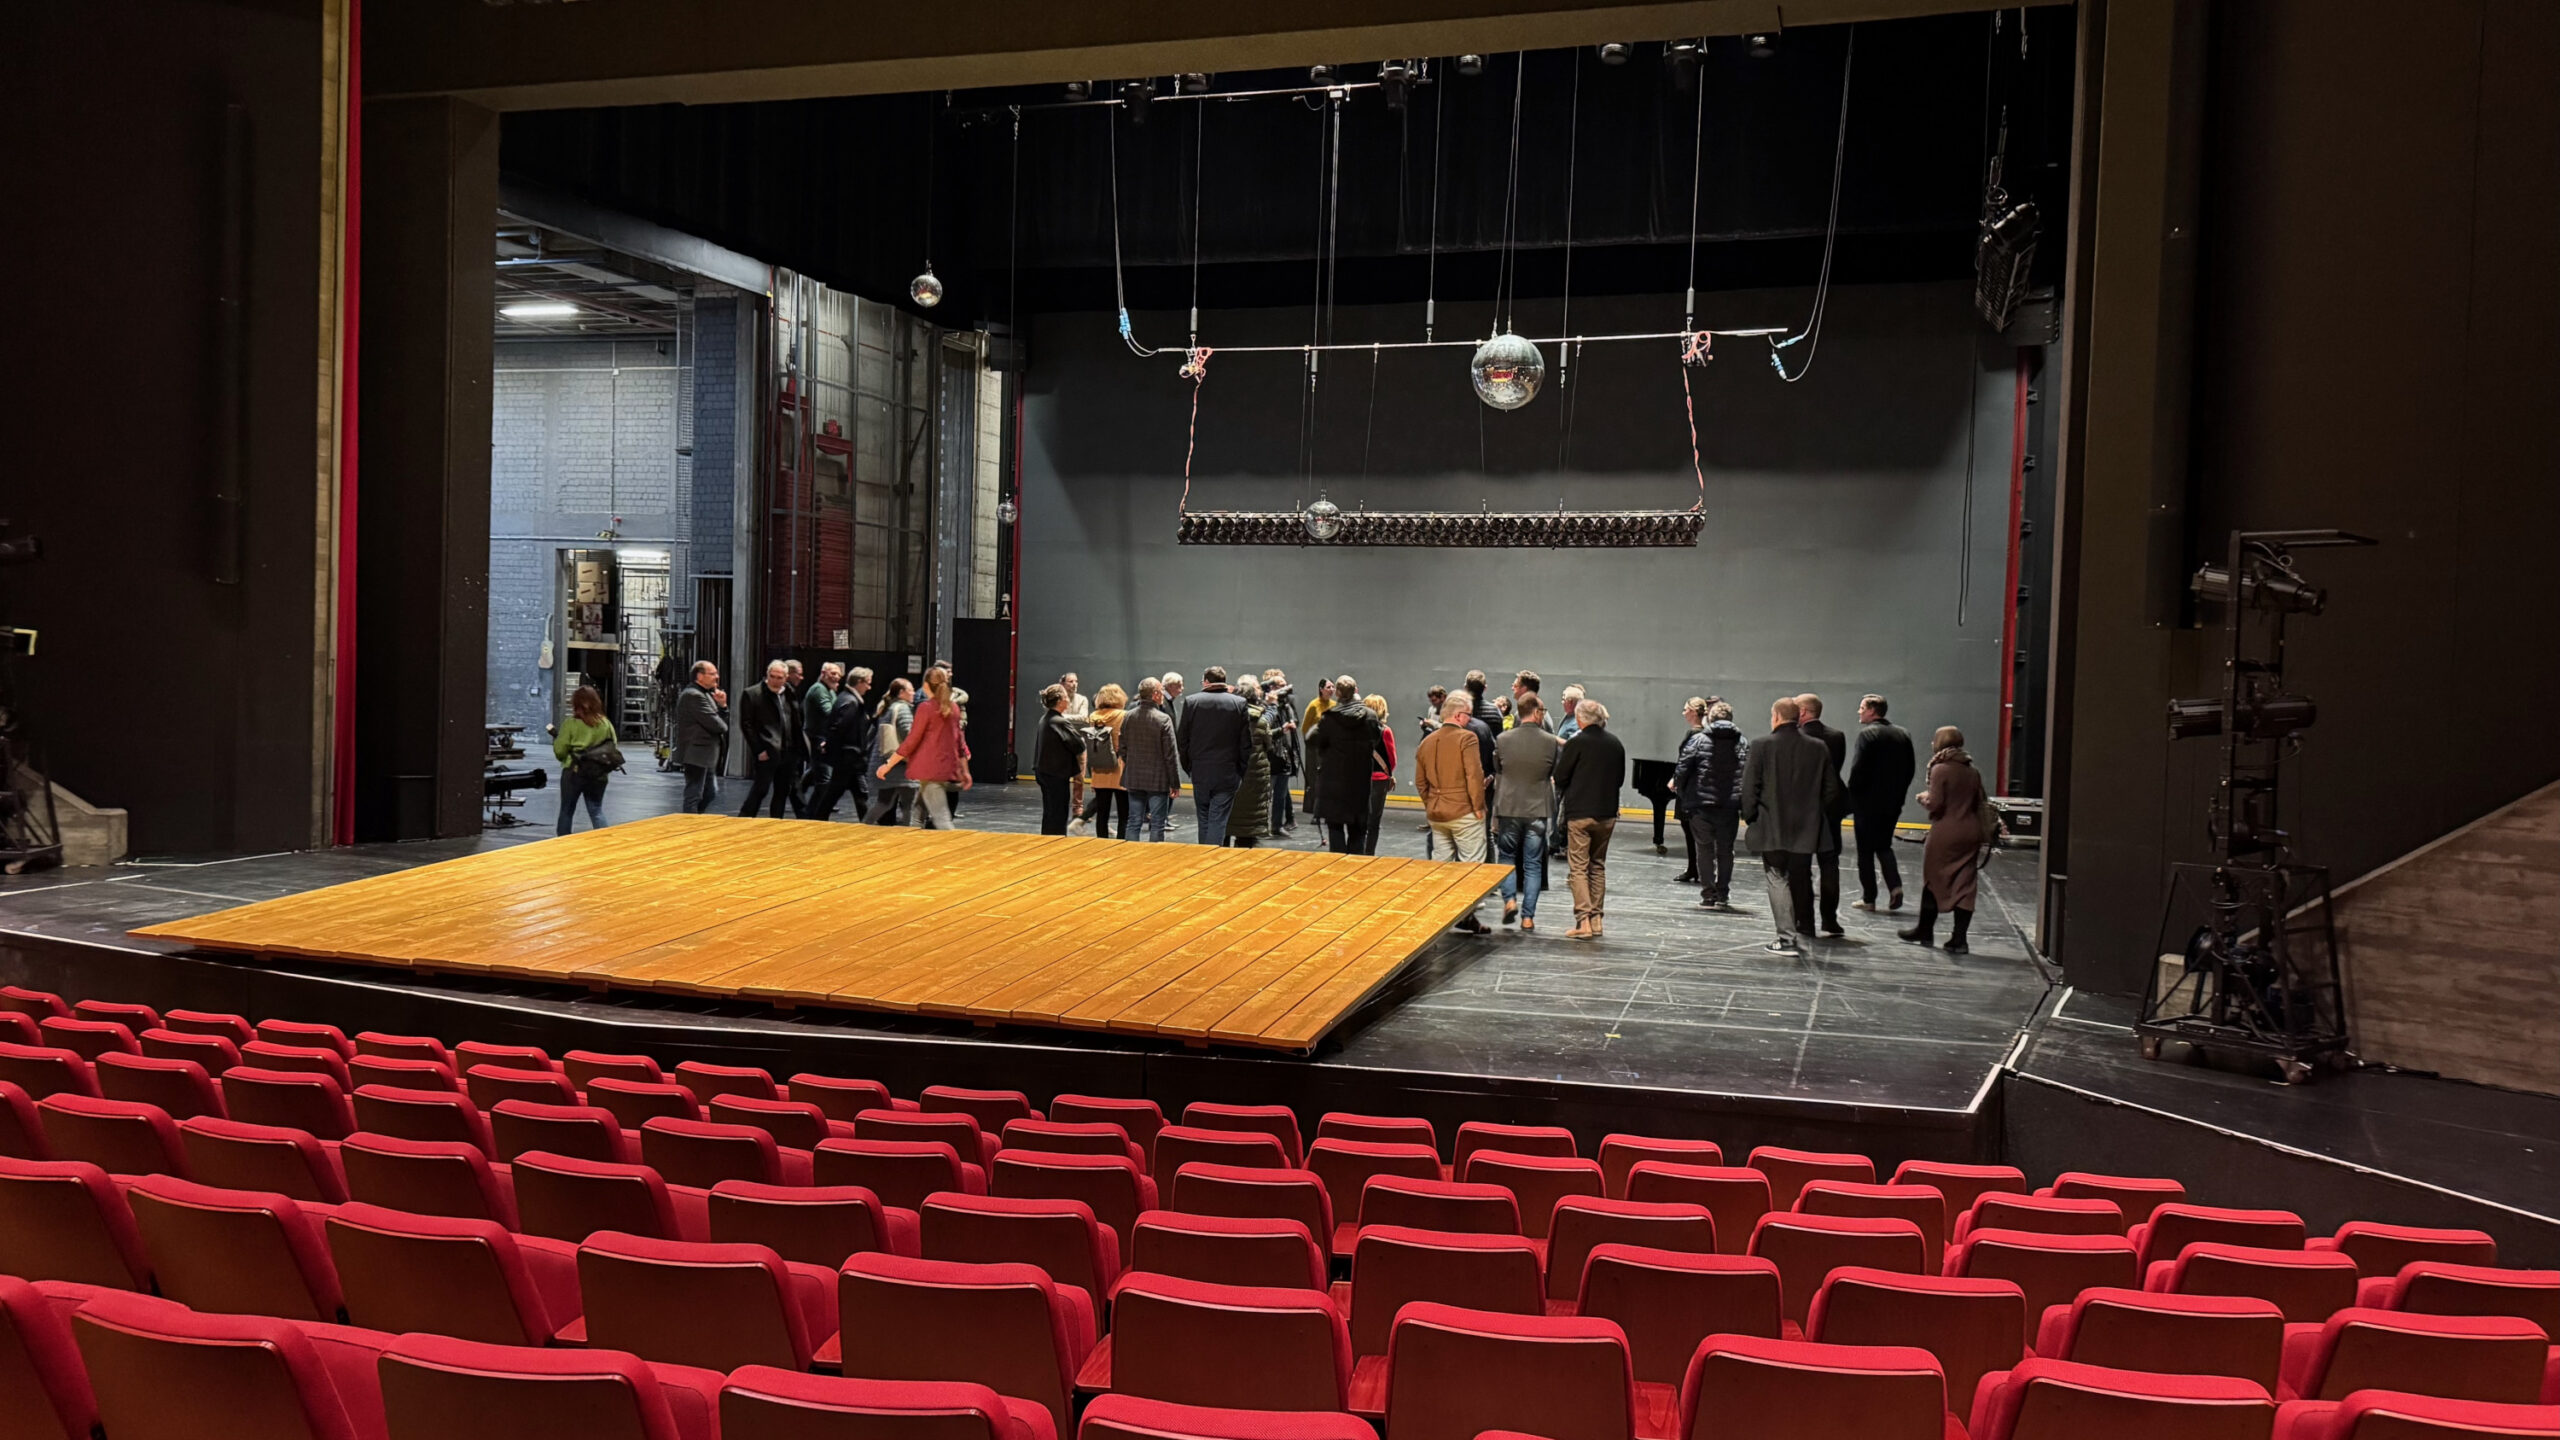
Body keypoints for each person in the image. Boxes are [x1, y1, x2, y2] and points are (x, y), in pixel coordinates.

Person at [1738, 696, 1845, 954]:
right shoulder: (1818, 747)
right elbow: (1832, 789)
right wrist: (1814, 812)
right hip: (1807, 827)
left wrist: (1751, 817)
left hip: (1772, 825)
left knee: (1776, 877)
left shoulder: (1761, 745)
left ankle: (1786, 938)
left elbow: (1749, 789)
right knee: (1801, 875)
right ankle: (1804, 926)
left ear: (1776, 716)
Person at [1904, 726, 1990, 953]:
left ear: (1940, 742)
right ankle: (1959, 939)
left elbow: (1935, 803)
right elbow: (1980, 801)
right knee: (1965, 884)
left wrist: (1922, 798)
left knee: (1933, 879)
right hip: (1970, 831)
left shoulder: (1940, 769)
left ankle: (1925, 929)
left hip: (1946, 831)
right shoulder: (1972, 771)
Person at [1414, 693, 1492, 933]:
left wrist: (1431, 803)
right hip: (1464, 812)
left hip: (1437, 814)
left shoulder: (1427, 742)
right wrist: (1478, 806)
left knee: (1442, 868)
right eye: (1468, 715)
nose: (1470, 720)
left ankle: (1441, 917)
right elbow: (1474, 775)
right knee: (1471, 867)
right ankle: (1465, 915)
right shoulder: (1467, 738)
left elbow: (1420, 782)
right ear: (1458, 715)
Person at [1552, 699, 1626, 940]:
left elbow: (1561, 777)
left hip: (1580, 813)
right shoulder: (1615, 744)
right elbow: (1619, 779)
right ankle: (1597, 921)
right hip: (1607, 813)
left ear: (1580, 718)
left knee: (1578, 868)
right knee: (1598, 866)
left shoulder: (1577, 742)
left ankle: (1583, 921)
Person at [1493, 692, 1562, 930]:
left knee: (1506, 857)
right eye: (1542, 711)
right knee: (1533, 864)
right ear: (1535, 712)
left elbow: (1498, 769)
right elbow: (1553, 771)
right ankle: (1528, 917)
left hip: (1509, 806)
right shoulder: (1550, 741)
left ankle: (1510, 900)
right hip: (1537, 808)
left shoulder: (1503, 739)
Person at [1674, 700, 1751, 910]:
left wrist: (1684, 795)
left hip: (1701, 804)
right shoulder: (1742, 742)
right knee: (1726, 850)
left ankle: (1708, 894)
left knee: (1704, 849)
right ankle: (1723, 893)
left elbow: (1682, 770)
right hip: (1729, 806)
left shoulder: (1698, 740)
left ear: (1710, 718)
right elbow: (1748, 773)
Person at [1848, 694, 1917, 911]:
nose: (1859, 711)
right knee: (1883, 845)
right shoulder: (1902, 734)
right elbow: (1910, 769)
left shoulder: (1867, 735)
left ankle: (1869, 898)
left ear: (1872, 711)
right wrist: (1899, 794)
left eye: (1862, 708)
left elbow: (1858, 770)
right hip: (1892, 803)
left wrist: (1852, 798)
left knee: (1865, 851)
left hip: (1867, 804)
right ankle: (1895, 886)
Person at [879, 664, 970, 829]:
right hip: (946, 768)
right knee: (919, 811)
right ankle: (915, 842)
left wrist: (888, 765)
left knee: (941, 819)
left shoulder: (926, 708)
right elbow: (959, 741)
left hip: (929, 769)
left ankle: (950, 845)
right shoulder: (954, 708)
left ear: (926, 685)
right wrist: (965, 770)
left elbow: (911, 741)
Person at [1176, 665, 1252, 845]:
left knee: (1203, 818)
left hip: (1200, 770)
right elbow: (1245, 743)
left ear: (1206, 681)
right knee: (1218, 819)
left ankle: (1204, 855)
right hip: (1228, 771)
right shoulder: (1239, 703)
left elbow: (1182, 740)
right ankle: (1212, 856)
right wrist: (1241, 770)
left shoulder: (1192, 702)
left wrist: (1189, 767)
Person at [1796, 693, 1851, 938]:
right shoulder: (1837, 737)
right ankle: (1830, 919)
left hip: (1804, 809)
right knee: (1830, 864)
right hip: (1831, 808)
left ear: (1803, 712)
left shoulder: (1797, 738)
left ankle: (1804, 920)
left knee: (1801, 866)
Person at [1306, 677, 1379, 854]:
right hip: (1360, 782)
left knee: (1335, 829)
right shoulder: (1370, 716)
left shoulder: (1329, 717)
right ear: (1356, 691)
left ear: (1337, 693)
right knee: (1358, 831)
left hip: (1333, 782)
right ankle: (1355, 865)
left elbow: (1311, 739)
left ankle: (1338, 866)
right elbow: (1376, 741)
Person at [1117, 677, 1181, 841]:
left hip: (1134, 777)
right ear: (1155, 695)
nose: (1162, 694)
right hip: (1158, 780)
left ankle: (1130, 854)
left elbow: (1122, 748)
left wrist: (1133, 763)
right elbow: (1170, 755)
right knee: (1158, 824)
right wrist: (1174, 783)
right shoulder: (1163, 719)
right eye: (1161, 691)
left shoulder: (1128, 717)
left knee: (1133, 822)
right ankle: (1154, 856)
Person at [736, 660, 802, 818]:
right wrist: (758, 750)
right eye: (772, 676)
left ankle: (776, 821)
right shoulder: (752, 694)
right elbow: (747, 725)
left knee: (782, 791)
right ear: (767, 675)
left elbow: (795, 719)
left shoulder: (789, 693)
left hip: (788, 751)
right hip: (767, 750)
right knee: (761, 789)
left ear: (786, 678)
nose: (775, 680)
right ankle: (744, 818)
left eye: (779, 677)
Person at [811, 666, 877, 821]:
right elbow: (839, 728)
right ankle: (819, 819)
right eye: (867, 683)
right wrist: (830, 745)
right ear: (859, 682)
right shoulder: (851, 702)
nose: (869, 687)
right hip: (848, 757)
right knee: (838, 793)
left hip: (849, 758)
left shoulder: (846, 698)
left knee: (856, 794)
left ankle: (866, 823)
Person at [553, 684, 618, 833]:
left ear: (575, 703)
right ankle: (604, 840)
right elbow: (613, 746)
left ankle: (563, 843)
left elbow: (560, 751)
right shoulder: (605, 724)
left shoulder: (570, 724)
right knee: (596, 810)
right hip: (598, 774)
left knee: (567, 811)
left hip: (574, 772)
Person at [1074, 683, 1132, 838]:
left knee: (1102, 812)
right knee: (1124, 813)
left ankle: (1101, 841)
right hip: (1120, 767)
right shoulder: (1124, 715)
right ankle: (1121, 841)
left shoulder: (1093, 716)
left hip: (1099, 768)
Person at [673, 661, 729, 814]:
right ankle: (689, 822)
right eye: (712, 674)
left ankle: (696, 818)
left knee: (710, 792)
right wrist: (722, 712)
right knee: (694, 794)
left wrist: (722, 706)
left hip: (705, 754)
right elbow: (718, 725)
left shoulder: (705, 694)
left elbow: (718, 721)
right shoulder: (694, 696)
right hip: (696, 754)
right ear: (699, 676)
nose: (716, 677)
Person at [1228, 680, 1276, 848]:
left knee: (1227, 818)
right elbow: (1269, 745)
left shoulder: (1227, 719)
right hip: (1254, 774)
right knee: (1248, 822)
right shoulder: (1260, 721)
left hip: (1232, 772)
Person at [863, 678, 917, 825]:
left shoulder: (887, 707)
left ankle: (864, 826)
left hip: (887, 762)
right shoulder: (903, 709)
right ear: (901, 692)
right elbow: (909, 734)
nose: (913, 693)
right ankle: (908, 833)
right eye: (910, 690)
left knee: (884, 802)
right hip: (901, 766)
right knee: (909, 805)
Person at [1033, 683, 1082, 835]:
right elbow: (1078, 744)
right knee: (1058, 813)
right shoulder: (1059, 722)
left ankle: (1047, 840)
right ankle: (1056, 841)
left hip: (1044, 771)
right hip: (1055, 774)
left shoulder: (1045, 719)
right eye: (1066, 697)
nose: (1068, 700)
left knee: (1050, 812)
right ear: (1060, 700)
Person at [797, 662, 843, 813]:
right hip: (816, 737)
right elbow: (829, 712)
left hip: (822, 736)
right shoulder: (819, 689)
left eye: (839, 674)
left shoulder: (829, 690)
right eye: (833, 673)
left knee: (815, 770)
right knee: (825, 776)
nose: (837, 677)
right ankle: (816, 808)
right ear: (823, 673)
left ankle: (799, 797)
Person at [1263, 669, 1300, 833]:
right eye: (1281, 686)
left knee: (1281, 793)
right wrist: (1281, 730)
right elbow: (1265, 730)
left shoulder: (1286, 705)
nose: (1285, 689)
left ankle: (1277, 824)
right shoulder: (1265, 705)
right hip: (1271, 753)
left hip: (1284, 752)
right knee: (1268, 793)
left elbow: (1294, 720)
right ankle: (1263, 824)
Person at [1362, 694, 1397, 854]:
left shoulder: (1356, 730)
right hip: (1378, 779)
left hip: (1359, 777)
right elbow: (1391, 760)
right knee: (1373, 822)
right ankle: (1368, 854)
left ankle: (1357, 851)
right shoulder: (1385, 731)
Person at [1299, 681, 1336, 827]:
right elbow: (1305, 727)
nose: (1331, 689)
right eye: (1328, 687)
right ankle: (1315, 812)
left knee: (1328, 779)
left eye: (1333, 687)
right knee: (1315, 779)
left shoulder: (1334, 705)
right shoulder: (1314, 705)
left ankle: (1327, 811)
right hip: (1315, 747)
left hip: (1329, 747)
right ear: (1321, 689)